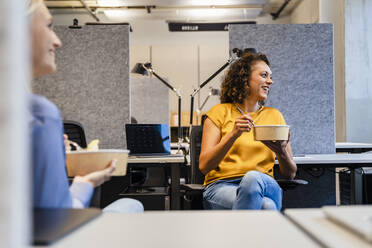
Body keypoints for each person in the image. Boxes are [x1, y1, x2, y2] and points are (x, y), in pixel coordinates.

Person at [29, 0, 143, 213]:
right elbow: (56, 218)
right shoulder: (40, 114)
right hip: (49, 237)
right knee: (132, 204)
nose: (57, 41)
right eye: (48, 26)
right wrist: (85, 184)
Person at [199, 51, 297, 210]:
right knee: (267, 206)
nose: (270, 81)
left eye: (270, 76)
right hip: (221, 186)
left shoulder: (274, 115)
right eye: (264, 75)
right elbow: (204, 166)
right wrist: (233, 135)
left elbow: (290, 174)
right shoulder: (219, 112)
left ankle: (240, 234)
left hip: (265, 184)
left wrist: (282, 152)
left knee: (252, 179)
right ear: (244, 78)